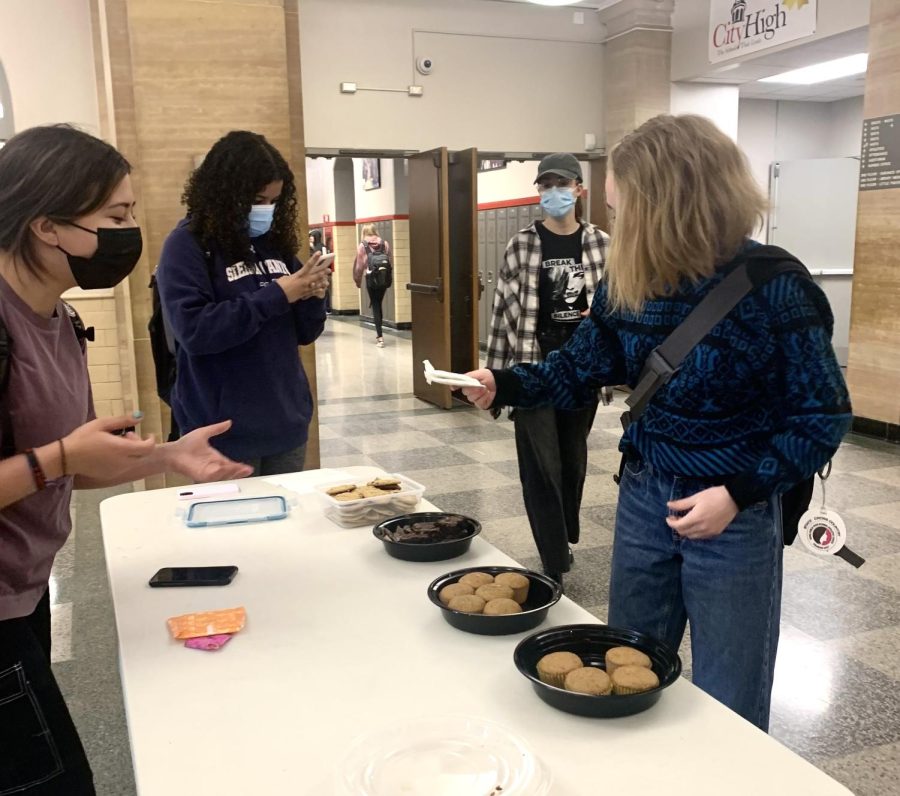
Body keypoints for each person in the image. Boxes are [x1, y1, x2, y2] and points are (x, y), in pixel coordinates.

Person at [462, 115, 851, 731]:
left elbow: (821, 415)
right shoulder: (630, 278)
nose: (614, 216)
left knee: (731, 689)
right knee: (627, 670)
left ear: (666, 202)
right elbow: (581, 365)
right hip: (645, 496)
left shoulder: (776, 288)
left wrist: (738, 493)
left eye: (623, 202)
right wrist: (503, 383)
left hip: (734, 513)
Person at [0, 124, 252, 795]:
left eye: (133, 213)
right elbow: (53, 460)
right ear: (47, 225)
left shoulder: (55, 317)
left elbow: (68, 466)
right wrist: (57, 457)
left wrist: (168, 456)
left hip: (21, 592)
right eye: (116, 216)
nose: (131, 232)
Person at [157, 131, 330, 476]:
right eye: (256, 199)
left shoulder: (273, 245)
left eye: (273, 201)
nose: (265, 210)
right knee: (235, 528)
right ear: (224, 194)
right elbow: (195, 331)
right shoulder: (187, 245)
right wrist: (279, 294)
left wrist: (314, 295)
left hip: (286, 424)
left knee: (287, 526)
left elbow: (305, 333)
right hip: (221, 433)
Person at [485, 153, 608, 588]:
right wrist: (499, 381)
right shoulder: (521, 244)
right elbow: (502, 311)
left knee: (572, 460)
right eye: (545, 185)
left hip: (583, 369)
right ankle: (553, 555)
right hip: (534, 365)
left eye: (562, 184)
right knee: (541, 464)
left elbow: (621, 307)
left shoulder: (601, 244)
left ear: (579, 190)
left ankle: (565, 532)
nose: (552, 193)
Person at [353, 223, 391, 347]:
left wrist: (357, 281)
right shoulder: (384, 244)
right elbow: (389, 261)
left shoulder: (362, 246)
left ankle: (380, 337)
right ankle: (380, 333)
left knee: (375, 304)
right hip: (383, 279)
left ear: (364, 232)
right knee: (378, 303)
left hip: (371, 278)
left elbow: (359, 267)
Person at [309, 228, 332, 314]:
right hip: (321, 270)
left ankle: (326, 307)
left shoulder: (319, 247)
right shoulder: (322, 246)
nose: (311, 238)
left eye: (312, 236)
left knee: (323, 290)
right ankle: (326, 307)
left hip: (319, 271)